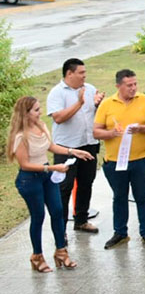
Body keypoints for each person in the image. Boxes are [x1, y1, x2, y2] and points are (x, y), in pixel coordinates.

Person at [8, 96, 94, 272]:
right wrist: (53, 167)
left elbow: (51, 147)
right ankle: (37, 256)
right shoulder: (20, 136)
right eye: (36, 110)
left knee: (58, 211)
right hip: (30, 179)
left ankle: (61, 251)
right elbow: (24, 164)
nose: (40, 113)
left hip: (46, 175)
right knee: (38, 216)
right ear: (26, 114)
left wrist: (73, 151)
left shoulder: (41, 126)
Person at [94, 69, 145, 249]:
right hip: (115, 161)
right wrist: (111, 133)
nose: (133, 88)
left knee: (142, 197)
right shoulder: (107, 104)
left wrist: (142, 128)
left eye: (135, 84)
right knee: (119, 197)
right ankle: (120, 233)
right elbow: (96, 131)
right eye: (128, 85)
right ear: (118, 86)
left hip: (141, 159)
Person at [46, 57, 104, 234]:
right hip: (67, 148)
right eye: (81, 73)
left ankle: (81, 220)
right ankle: (60, 228)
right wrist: (79, 103)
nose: (84, 76)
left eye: (85, 73)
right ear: (69, 73)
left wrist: (97, 103)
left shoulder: (90, 89)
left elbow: (95, 114)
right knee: (64, 187)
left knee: (87, 183)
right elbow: (58, 118)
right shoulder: (57, 93)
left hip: (88, 144)